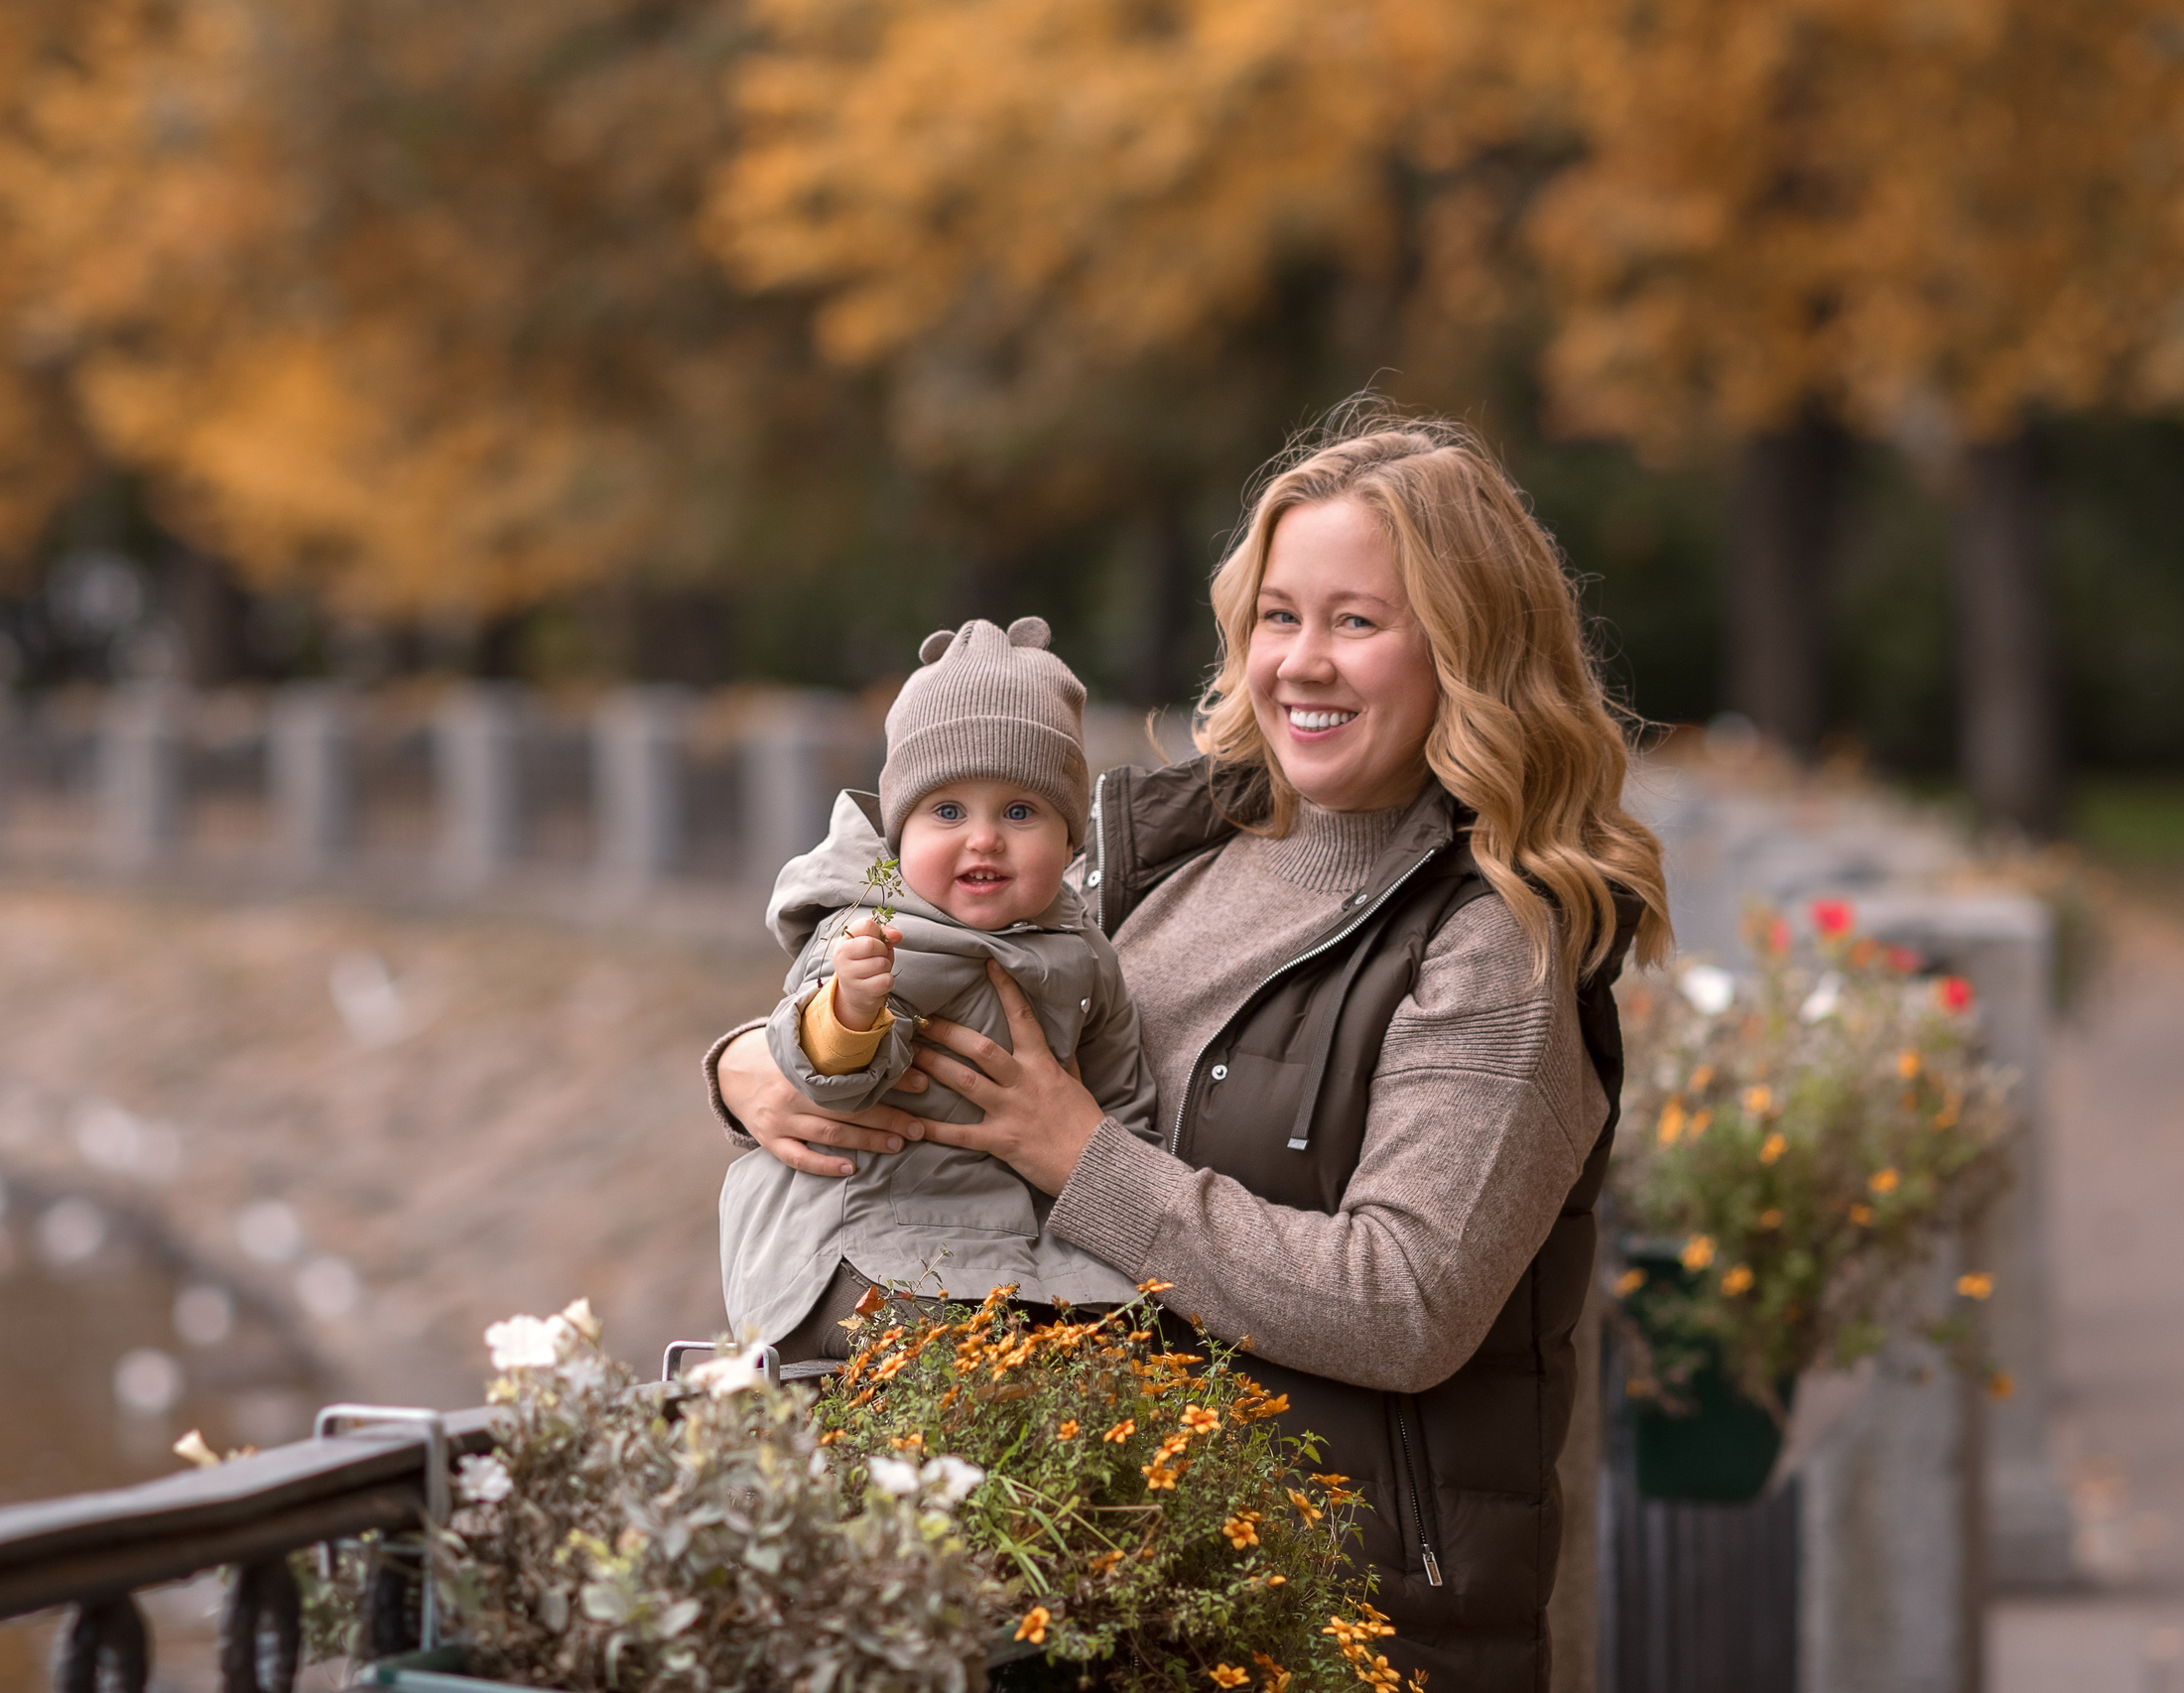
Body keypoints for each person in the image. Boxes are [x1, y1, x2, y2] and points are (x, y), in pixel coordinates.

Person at [703, 404, 1670, 1689]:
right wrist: (747, 1067)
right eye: (1279, 616)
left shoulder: (1499, 940)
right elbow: (933, 959)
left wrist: (1080, 1157)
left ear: (1469, 648)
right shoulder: (1160, 852)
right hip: (1112, 1586)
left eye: (1357, 621)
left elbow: (1410, 1300)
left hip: (1345, 1619)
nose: (1302, 663)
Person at [719, 615, 1159, 1365]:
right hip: (866, 1232)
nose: (983, 839)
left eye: (1019, 812)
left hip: (1001, 1246)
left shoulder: (1085, 950)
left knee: (1102, 1351)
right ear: (900, 833)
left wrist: (1127, 1212)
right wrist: (852, 1010)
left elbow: (1122, 1091)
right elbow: (824, 1073)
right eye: (947, 812)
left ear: (1069, 838)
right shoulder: (883, 926)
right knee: (943, 1362)